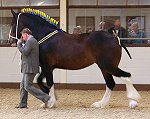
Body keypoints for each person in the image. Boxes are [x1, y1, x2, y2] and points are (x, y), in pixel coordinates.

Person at [16, 28, 50, 108]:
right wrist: (22, 44)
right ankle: (22, 104)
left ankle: (46, 98)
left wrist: (19, 44)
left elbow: (25, 52)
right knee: (22, 85)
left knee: (27, 86)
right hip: (27, 67)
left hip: (30, 67)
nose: (22, 37)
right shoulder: (30, 41)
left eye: (22, 35)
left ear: (25, 34)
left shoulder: (31, 41)